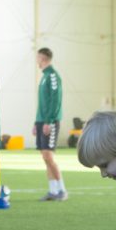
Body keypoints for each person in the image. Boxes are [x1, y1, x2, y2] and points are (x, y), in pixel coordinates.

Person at [34, 47, 67, 201]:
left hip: (50, 122)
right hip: (42, 121)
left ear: (44, 58)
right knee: (45, 157)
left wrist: (49, 121)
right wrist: (37, 122)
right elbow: (42, 103)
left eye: (38, 58)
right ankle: (52, 191)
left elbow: (55, 100)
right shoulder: (44, 77)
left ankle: (62, 190)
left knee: (48, 156)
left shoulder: (53, 76)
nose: (37, 61)